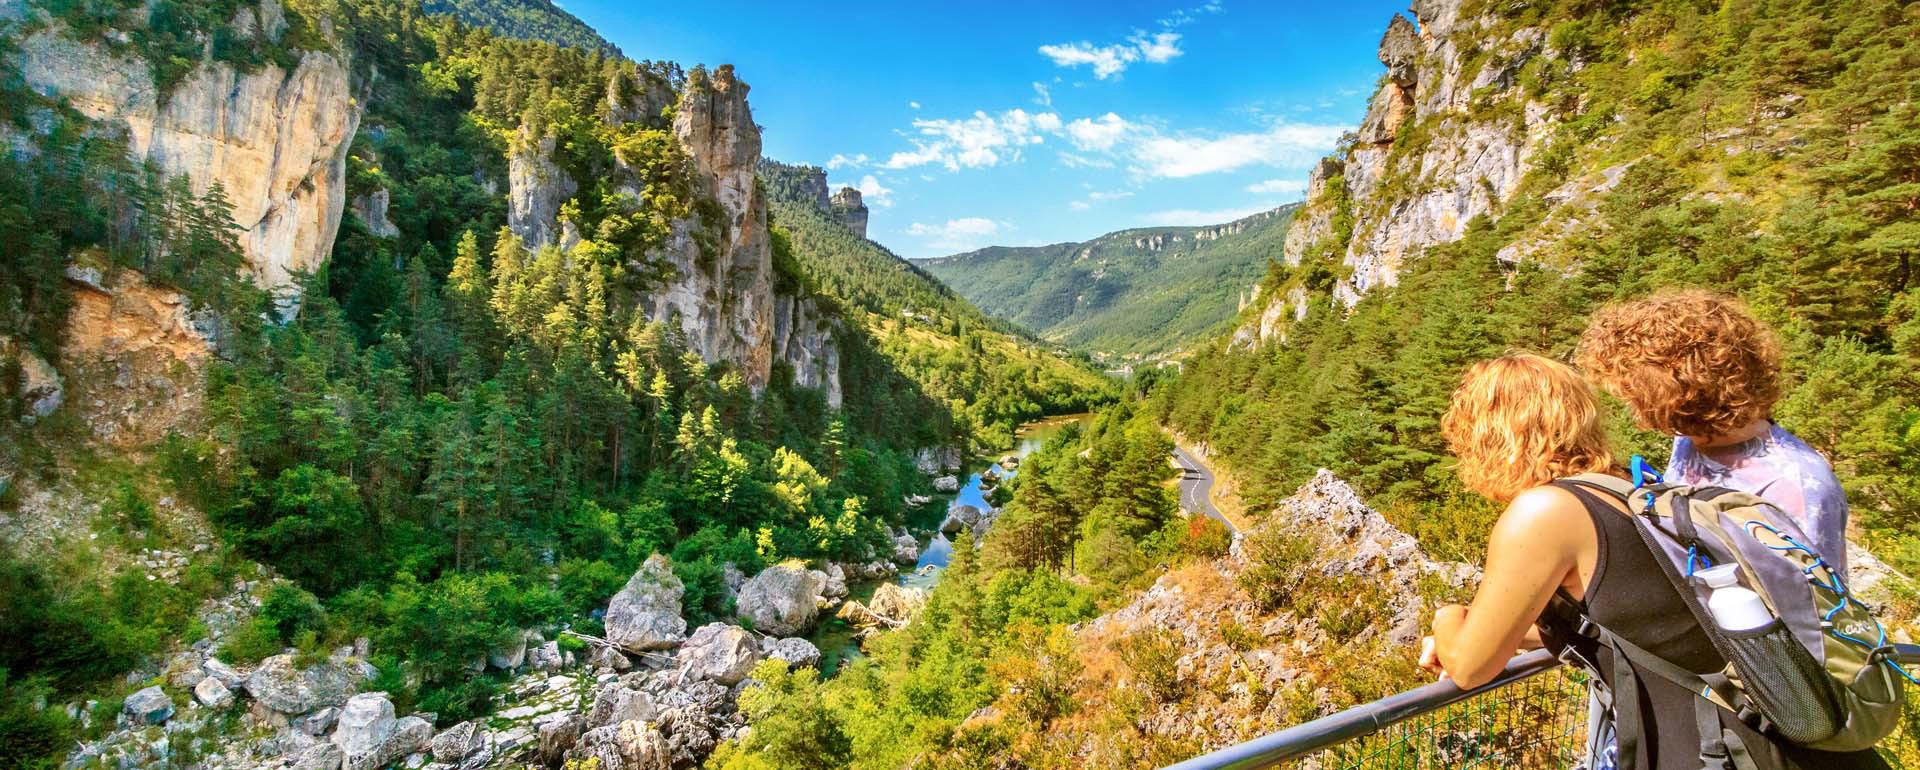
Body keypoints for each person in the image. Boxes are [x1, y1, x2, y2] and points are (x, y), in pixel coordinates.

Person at [1418, 353, 1886, 770]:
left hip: (1723, 750)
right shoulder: (1633, 490)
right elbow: (1637, 623)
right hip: (1788, 737)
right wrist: (1491, 633)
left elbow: (1471, 667)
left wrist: (1450, 619)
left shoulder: (1546, 511)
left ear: (1484, 436)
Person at [1576, 289, 1850, 574]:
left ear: (1679, 392)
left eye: (1636, 394)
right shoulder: (1691, 439)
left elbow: (1820, 603)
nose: (1631, 407)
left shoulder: (1796, 483)